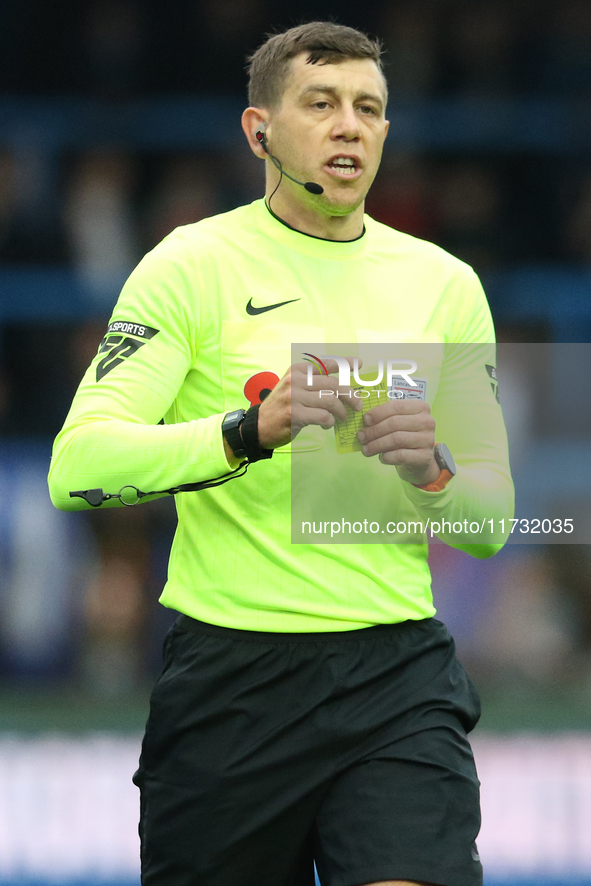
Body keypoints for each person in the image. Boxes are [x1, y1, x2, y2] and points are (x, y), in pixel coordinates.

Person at [48, 21, 514, 886]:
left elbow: (489, 523)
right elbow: (78, 468)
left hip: (395, 678)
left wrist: (434, 473)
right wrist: (244, 432)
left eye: (368, 108)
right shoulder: (189, 266)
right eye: (322, 103)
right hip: (232, 686)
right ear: (258, 131)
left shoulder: (443, 284)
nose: (349, 126)